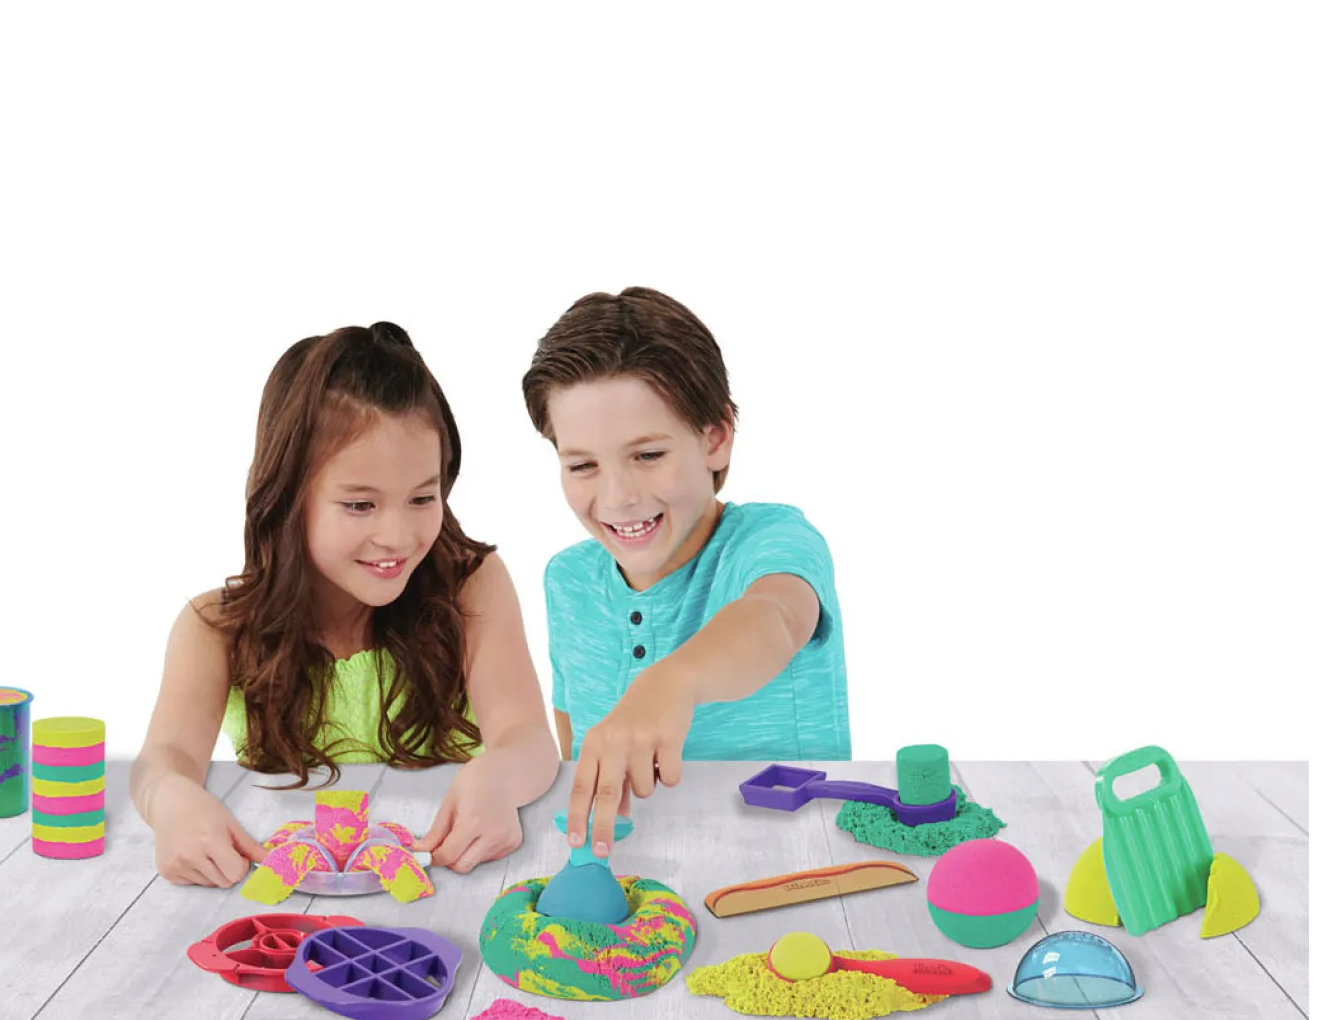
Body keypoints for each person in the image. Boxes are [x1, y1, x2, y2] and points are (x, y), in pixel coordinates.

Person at [132, 322, 558, 884]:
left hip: (454, 886)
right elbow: (162, 759)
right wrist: (172, 801)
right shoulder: (216, 629)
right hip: (285, 900)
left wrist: (499, 778)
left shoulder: (470, 586)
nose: (397, 536)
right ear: (288, 497)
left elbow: (528, 738)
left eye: (422, 498)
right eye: (360, 505)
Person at [523, 287, 850, 855]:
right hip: (630, 878)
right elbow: (576, 749)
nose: (617, 497)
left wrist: (670, 681)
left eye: (648, 455)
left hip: (794, 870)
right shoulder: (567, 580)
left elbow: (773, 616)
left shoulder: (772, 540)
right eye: (582, 465)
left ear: (715, 439)